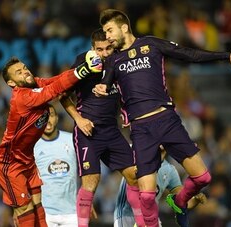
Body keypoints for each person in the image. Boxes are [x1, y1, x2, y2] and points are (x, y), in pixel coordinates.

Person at [93, 9, 231, 227]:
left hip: (167, 120)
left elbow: (188, 54)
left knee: (203, 178)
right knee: (146, 197)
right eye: (105, 31)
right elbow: (105, 85)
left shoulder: (152, 44)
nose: (107, 35)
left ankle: (179, 201)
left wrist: (225, 56)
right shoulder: (113, 60)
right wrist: (100, 88)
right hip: (141, 128)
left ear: (124, 27)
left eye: (109, 30)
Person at [0, 54, 102, 227]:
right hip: (10, 162)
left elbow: (56, 80)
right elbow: (54, 90)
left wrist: (82, 71)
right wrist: (84, 70)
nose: (25, 72)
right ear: (11, 83)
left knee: (38, 205)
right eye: (18, 72)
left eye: (25, 68)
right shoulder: (22, 98)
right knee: (26, 209)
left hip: (27, 159)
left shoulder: (34, 84)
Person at [60, 28, 141, 227]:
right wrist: (79, 119)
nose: (104, 53)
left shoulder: (118, 62)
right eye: (100, 49)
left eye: (108, 48)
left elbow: (124, 91)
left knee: (135, 176)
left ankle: (142, 222)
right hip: (88, 132)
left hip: (111, 131)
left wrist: (125, 112)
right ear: (92, 49)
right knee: (91, 181)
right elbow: (63, 95)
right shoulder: (83, 63)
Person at [114, 146, 207, 227]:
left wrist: (195, 200)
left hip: (150, 218)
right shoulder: (135, 154)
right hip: (126, 216)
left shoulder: (170, 170)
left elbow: (181, 202)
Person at [33, 104, 78, 226]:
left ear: (57, 118)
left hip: (72, 213)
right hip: (46, 213)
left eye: (51, 115)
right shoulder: (33, 146)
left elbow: (85, 171)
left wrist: (86, 200)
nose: (47, 120)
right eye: (43, 116)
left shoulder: (72, 140)